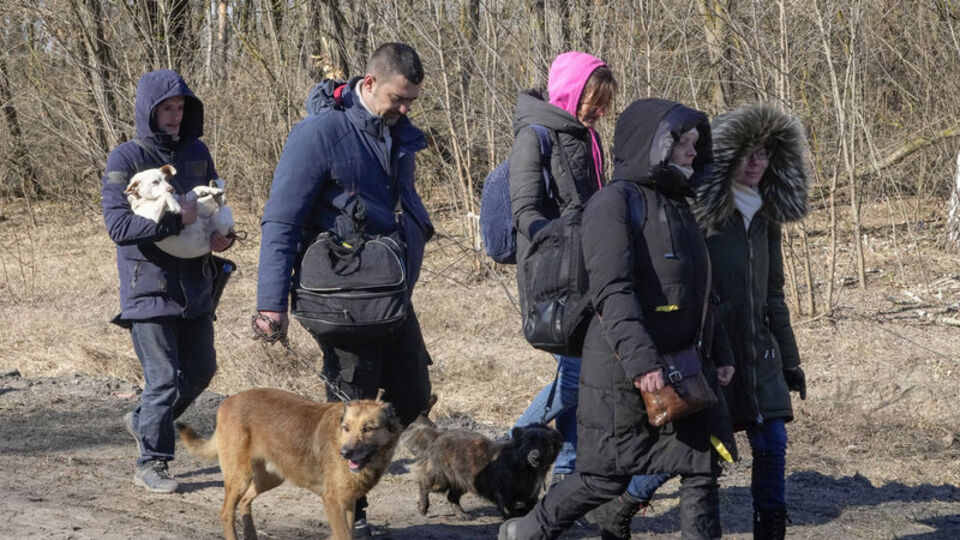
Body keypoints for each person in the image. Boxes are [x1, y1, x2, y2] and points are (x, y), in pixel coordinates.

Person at [499, 98, 735, 540]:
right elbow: (612, 290)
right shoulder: (612, 203)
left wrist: (720, 352)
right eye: (681, 142)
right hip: (620, 369)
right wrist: (641, 361)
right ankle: (527, 531)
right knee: (604, 477)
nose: (691, 151)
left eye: (694, 143)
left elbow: (704, 293)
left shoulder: (683, 207)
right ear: (652, 144)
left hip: (684, 366)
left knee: (701, 469)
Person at [254, 42, 433, 539]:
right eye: (398, 98)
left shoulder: (399, 134)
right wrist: (271, 303)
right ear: (370, 84)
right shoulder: (320, 134)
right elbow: (282, 219)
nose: (404, 109)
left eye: (412, 102)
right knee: (350, 404)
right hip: (340, 297)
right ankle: (351, 512)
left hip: (391, 295)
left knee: (412, 393)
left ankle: (357, 487)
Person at [102, 69, 233, 493]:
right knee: (161, 378)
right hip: (148, 287)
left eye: (180, 108)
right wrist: (175, 219)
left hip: (196, 284)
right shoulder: (125, 159)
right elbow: (118, 227)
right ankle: (152, 462)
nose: (175, 116)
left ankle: (143, 421)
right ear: (149, 112)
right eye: (167, 109)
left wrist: (221, 237)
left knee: (201, 369)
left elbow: (213, 205)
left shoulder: (197, 153)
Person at [692, 103, 809, 539]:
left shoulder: (767, 215)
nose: (756, 162)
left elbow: (773, 296)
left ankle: (770, 531)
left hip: (761, 352)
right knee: (700, 455)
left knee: (772, 444)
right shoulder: (702, 218)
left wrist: (790, 360)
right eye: (745, 153)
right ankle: (625, 505)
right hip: (714, 354)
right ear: (724, 158)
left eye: (763, 152)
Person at [508, 51, 616, 486]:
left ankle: (569, 472)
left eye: (606, 101)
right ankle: (508, 445)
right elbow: (524, 210)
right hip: (550, 276)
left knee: (580, 369)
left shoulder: (588, 137)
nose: (602, 110)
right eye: (596, 99)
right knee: (576, 374)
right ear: (573, 92)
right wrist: (562, 237)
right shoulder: (534, 136)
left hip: (589, 271)